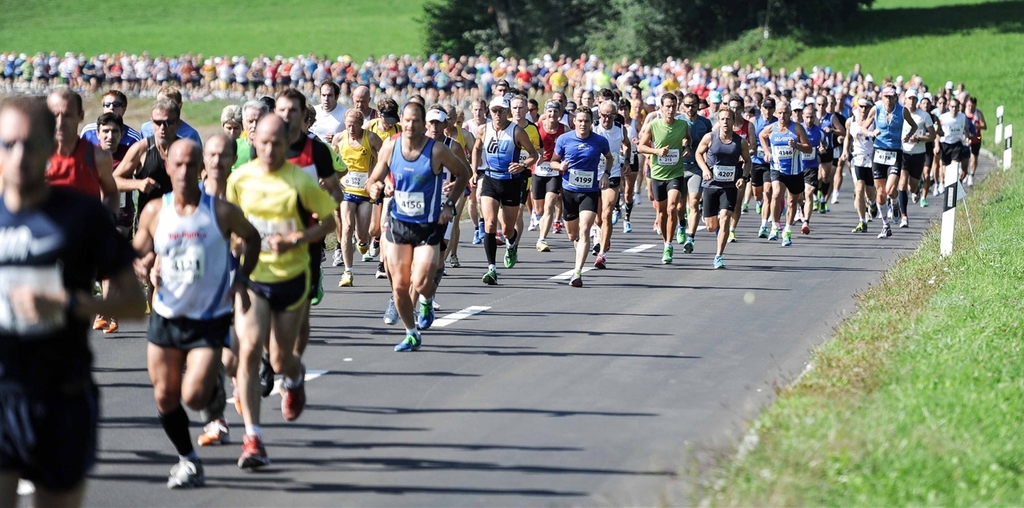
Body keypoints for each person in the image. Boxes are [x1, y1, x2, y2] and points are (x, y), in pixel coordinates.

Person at [0, 95, 146, 508]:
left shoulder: (82, 216)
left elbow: (135, 304)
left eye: (30, 143)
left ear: (51, 146)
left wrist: (71, 304)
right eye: (8, 144)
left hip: (61, 391)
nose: (19, 155)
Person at [132, 139, 260, 489]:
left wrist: (241, 281)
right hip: (166, 315)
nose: (185, 172)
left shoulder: (220, 211)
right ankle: (188, 460)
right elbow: (137, 252)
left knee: (192, 397)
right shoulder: (155, 212)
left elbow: (252, 238)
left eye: (192, 165)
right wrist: (144, 268)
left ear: (201, 168)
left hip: (208, 319)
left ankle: (215, 394)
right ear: (169, 167)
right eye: (179, 165)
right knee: (164, 396)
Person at [227, 114, 338, 469]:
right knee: (248, 350)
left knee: (279, 359)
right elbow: (229, 222)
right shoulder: (239, 179)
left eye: (278, 143)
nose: (271, 149)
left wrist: (296, 240)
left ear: (285, 142)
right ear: (254, 141)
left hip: (290, 277)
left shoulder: (297, 181)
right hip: (253, 277)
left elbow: (330, 221)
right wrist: (237, 246)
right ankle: (253, 438)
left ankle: (294, 376)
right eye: (264, 142)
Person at [366, 102, 470, 350]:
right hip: (399, 224)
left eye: (416, 121)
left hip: (427, 226)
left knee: (422, 281)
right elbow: (374, 177)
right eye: (408, 120)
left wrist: (449, 205)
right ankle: (411, 333)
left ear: (424, 125)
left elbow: (464, 173)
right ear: (402, 120)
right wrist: (374, 187)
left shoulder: (436, 151)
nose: (411, 125)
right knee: (400, 286)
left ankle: (426, 300)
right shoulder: (391, 146)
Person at [470, 96, 539, 285]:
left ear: (507, 112)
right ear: (489, 113)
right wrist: (474, 171)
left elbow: (534, 154)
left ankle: (511, 243)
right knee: (490, 224)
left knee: (508, 229)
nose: (497, 115)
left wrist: (522, 165)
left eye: (501, 111)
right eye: (494, 111)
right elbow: (476, 149)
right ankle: (491, 268)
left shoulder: (516, 131)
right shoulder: (483, 129)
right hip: (490, 179)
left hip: (510, 182)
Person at [549, 108, 613, 286]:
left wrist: (606, 173)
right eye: (580, 121)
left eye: (587, 121)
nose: (583, 124)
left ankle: (577, 273)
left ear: (591, 122)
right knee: (573, 234)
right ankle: (578, 245)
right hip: (569, 191)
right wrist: (560, 166)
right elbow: (553, 161)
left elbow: (609, 158)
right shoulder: (564, 139)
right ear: (574, 122)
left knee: (585, 229)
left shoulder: (599, 141)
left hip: (590, 191)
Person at [45, 88, 118, 215]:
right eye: (54, 115)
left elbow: (111, 193)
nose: (60, 122)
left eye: (67, 115)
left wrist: (107, 222)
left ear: (81, 116)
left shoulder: (98, 157)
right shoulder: (31, 156)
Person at [636, 93, 691, 264]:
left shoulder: (682, 124)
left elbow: (687, 139)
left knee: (672, 208)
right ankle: (665, 240)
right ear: (661, 107)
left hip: (675, 173)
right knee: (661, 213)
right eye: (667, 106)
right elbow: (640, 147)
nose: (670, 109)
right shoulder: (653, 125)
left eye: (673, 106)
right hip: (658, 174)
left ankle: (668, 245)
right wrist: (657, 152)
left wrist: (686, 147)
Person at [695, 108, 752, 268]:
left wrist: (743, 177)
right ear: (718, 121)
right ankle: (716, 226)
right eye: (722, 119)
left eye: (728, 119)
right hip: (711, 185)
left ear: (733, 122)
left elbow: (748, 161)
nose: (725, 122)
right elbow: (698, 154)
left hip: (729, 186)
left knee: (725, 218)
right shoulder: (710, 137)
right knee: (711, 226)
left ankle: (719, 256)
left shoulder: (740, 142)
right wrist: (705, 170)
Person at [331, 109, 382, 286]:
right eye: (348, 125)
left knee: (362, 236)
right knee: (347, 228)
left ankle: (362, 243)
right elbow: (331, 159)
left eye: (355, 125)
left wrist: (376, 178)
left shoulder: (371, 138)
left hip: (365, 192)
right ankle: (348, 272)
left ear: (362, 124)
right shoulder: (339, 138)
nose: (351, 129)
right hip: (347, 190)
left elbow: (385, 158)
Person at [860, 85, 917, 239]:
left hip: (895, 152)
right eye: (885, 96)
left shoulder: (902, 110)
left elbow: (914, 125)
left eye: (891, 96)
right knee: (880, 193)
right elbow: (863, 128)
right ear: (882, 97)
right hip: (878, 152)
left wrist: (907, 136)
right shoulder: (876, 108)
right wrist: (871, 132)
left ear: (895, 97)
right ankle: (886, 226)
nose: (888, 99)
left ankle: (896, 203)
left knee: (891, 190)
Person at [113, 100, 181, 228]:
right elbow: (114, 180)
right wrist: (137, 184)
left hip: (178, 225)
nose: (162, 128)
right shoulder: (141, 149)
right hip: (148, 226)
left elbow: (206, 180)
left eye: (168, 123)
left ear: (177, 123)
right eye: (158, 122)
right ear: (151, 122)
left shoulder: (186, 149)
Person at [758, 100, 812, 247]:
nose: (782, 116)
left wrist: (797, 145)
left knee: (792, 201)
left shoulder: (797, 129)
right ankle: (774, 227)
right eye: (780, 113)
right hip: (777, 168)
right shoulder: (771, 128)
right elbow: (762, 136)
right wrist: (767, 152)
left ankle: (787, 231)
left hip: (795, 171)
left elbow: (809, 149)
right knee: (775, 194)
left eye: (785, 113)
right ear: (776, 113)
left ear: (790, 114)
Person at [591, 100, 630, 268]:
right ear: (599, 114)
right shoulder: (593, 128)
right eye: (604, 115)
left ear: (615, 115)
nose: (606, 119)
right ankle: (602, 236)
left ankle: (602, 254)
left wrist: (626, 160)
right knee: (598, 217)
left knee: (607, 213)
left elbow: (626, 144)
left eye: (610, 116)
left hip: (612, 173)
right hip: (593, 174)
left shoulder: (620, 128)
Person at [840, 96, 878, 233]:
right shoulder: (851, 121)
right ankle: (862, 221)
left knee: (870, 191)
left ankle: (873, 204)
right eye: (860, 106)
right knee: (859, 189)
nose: (863, 109)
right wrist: (845, 151)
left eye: (866, 107)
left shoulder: (876, 121)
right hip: (857, 158)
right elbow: (847, 137)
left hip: (872, 158)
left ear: (870, 108)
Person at [898, 92, 935, 228]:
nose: (912, 101)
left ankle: (917, 189)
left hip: (919, 153)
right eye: (909, 99)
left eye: (914, 99)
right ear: (905, 100)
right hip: (904, 152)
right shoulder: (900, 113)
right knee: (902, 184)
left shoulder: (924, 115)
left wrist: (918, 139)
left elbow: (932, 135)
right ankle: (904, 217)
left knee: (912, 187)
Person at [533, 99, 566, 252]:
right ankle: (540, 223)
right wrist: (535, 156)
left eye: (555, 111)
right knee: (539, 210)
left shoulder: (564, 129)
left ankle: (542, 239)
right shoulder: (537, 127)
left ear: (559, 113)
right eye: (550, 111)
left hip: (555, 169)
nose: (552, 114)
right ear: (545, 112)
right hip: (539, 170)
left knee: (550, 205)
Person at [750, 98, 778, 239]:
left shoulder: (777, 123)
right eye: (765, 108)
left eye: (770, 108)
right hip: (756, 161)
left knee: (768, 192)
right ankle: (759, 203)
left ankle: (763, 226)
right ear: (761, 108)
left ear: (774, 109)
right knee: (757, 194)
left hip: (770, 163)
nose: (768, 111)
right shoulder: (755, 122)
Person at [962, 96, 985, 186]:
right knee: (964, 158)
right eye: (968, 105)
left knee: (974, 157)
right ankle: (964, 172)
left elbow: (984, 126)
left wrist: (975, 126)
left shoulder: (978, 113)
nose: (970, 108)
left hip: (976, 138)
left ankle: (971, 175)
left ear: (975, 105)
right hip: (965, 139)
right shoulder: (963, 114)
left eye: (972, 106)